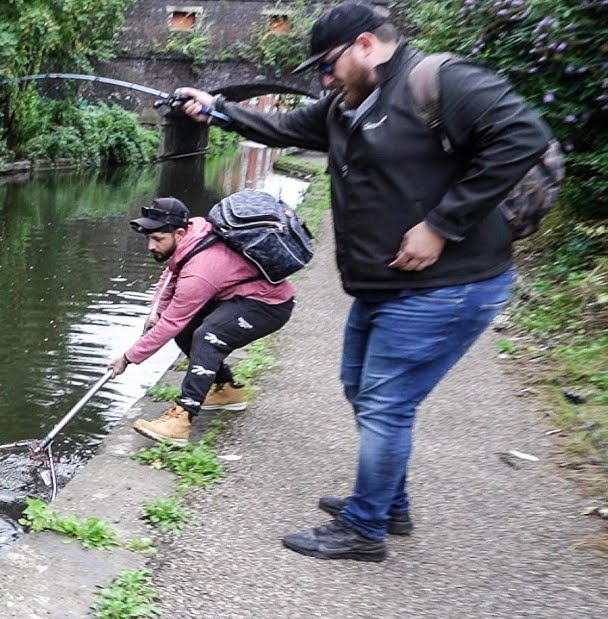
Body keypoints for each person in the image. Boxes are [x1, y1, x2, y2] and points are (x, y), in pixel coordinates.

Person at [172, 2, 553, 562]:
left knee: (384, 403)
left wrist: (441, 225)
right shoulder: (344, 107)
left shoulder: (441, 81)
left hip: (449, 284)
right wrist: (217, 110)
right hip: (386, 285)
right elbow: (281, 127)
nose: (325, 80)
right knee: (362, 388)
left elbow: (523, 137)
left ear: (366, 45)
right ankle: (388, 503)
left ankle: (364, 528)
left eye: (328, 65)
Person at [108, 197, 295, 445]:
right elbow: (171, 273)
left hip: (268, 306)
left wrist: (127, 358)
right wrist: (157, 310)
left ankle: (181, 419)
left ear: (179, 233)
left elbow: (170, 324)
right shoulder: (195, 232)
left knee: (207, 336)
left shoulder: (200, 272)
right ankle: (227, 391)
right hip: (237, 297)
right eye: (149, 239)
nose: (151, 246)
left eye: (157, 239)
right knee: (187, 327)